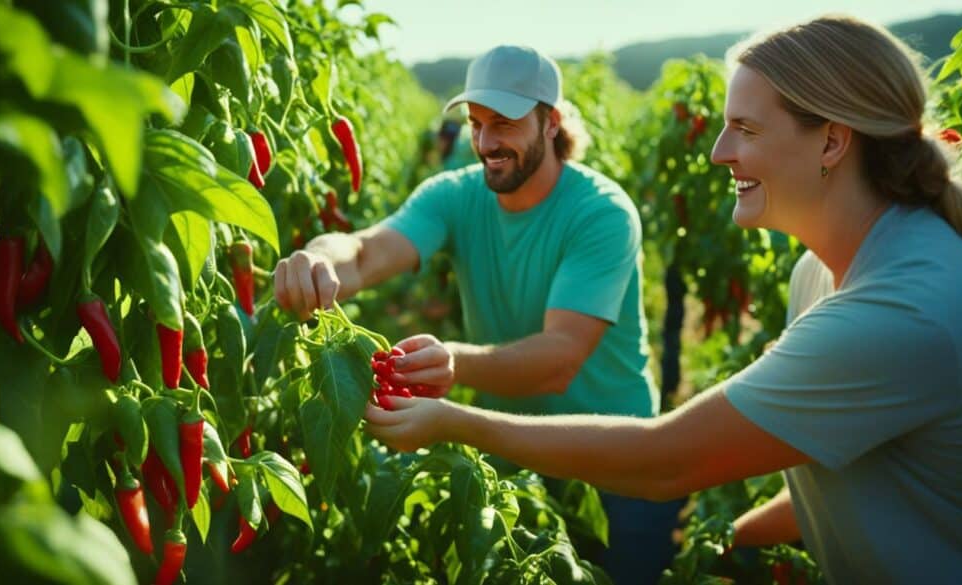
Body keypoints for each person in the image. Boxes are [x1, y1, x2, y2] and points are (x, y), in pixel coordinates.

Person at [364, 16, 962, 584]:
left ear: (831, 142)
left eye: (744, 128)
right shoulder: (820, 272)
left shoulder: (902, 311)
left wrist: (452, 421)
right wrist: (727, 544)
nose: (718, 151)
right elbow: (845, 461)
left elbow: (666, 460)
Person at [273, 45, 681, 584]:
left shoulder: (600, 213)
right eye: (477, 123)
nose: (487, 142)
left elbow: (561, 358)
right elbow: (368, 251)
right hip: (510, 449)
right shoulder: (455, 195)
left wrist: (455, 364)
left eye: (505, 123)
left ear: (551, 122)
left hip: (615, 455)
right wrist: (321, 259)